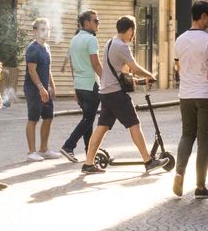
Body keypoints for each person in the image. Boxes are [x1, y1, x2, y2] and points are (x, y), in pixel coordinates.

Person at [82, 16, 165, 175]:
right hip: (116, 93)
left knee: (101, 128)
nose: (133, 35)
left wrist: (137, 80)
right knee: (134, 124)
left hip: (105, 91)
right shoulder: (122, 46)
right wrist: (149, 75)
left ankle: (88, 163)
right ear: (130, 30)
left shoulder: (110, 42)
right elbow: (134, 67)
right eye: (133, 31)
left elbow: (122, 71)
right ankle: (148, 161)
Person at [172, 1, 208, 197]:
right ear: (203, 16)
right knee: (204, 141)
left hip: (186, 94)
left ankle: (179, 172)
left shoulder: (180, 40)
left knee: (187, 135)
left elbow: (177, 67)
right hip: (207, 95)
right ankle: (200, 186)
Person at [59, 10, 104, 162]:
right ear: (86, 23)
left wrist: (75, 88)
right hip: (91, 84)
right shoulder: (91, 40)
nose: (98, 24)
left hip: (79, 84)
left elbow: (72, 66)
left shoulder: (74, 39)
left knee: (87, 119)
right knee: (88, 119)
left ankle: (89, 153)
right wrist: (107, 81)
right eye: (95, 21)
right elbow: (96, 64)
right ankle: (69, 145)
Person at [22, 18, 60, 160]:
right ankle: (31, 152)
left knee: (48, 117)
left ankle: (44, 149)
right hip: (33, 89)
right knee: (33, 118)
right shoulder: (33, 48)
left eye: (48, 29)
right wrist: (40, 88)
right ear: (35, 32)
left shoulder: (47, 47)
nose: (46, 32)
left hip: (45, 88)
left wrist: (52, 85)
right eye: (43, 29)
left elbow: (48, 69)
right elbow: (32, 71)